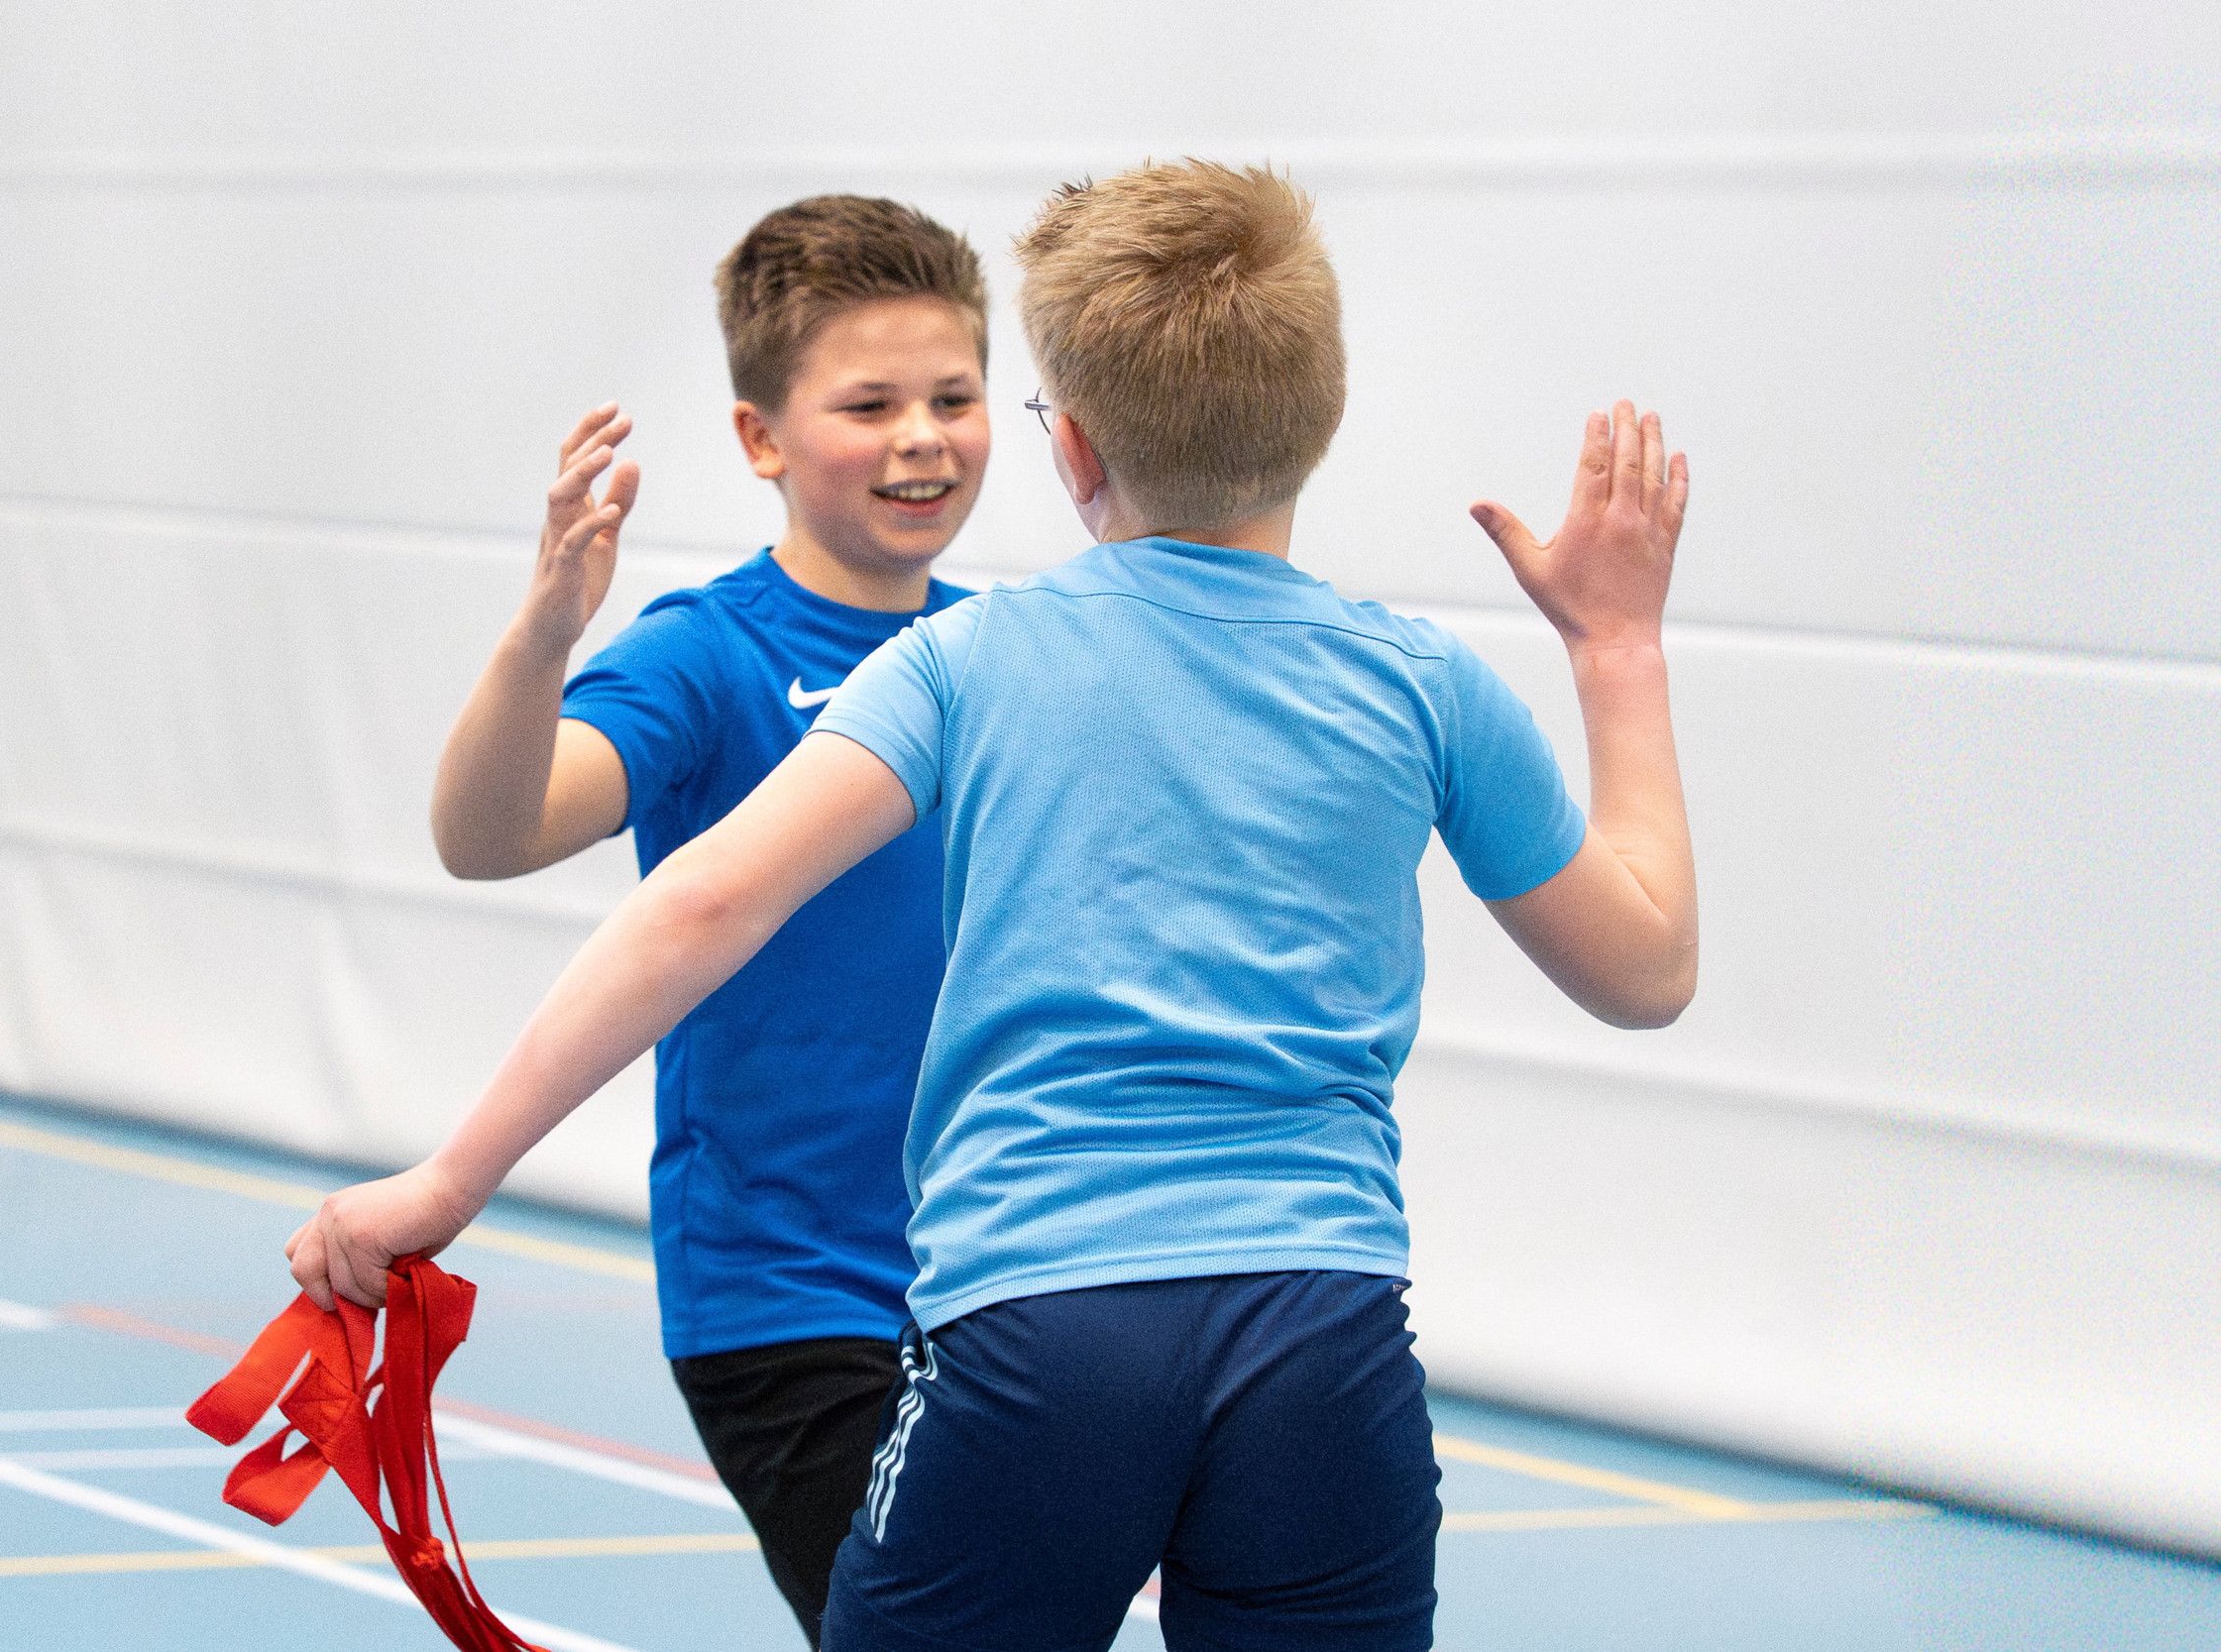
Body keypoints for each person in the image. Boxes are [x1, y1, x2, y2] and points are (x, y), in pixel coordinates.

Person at [291, 160, 1697, 1652]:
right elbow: (1646, 969)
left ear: (1068, 444)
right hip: (1327, 1335)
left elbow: (703, 905)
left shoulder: (967, 665)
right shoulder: (1428, 685)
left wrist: (445, 1183)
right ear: (1324, 420)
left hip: (1042, 1328)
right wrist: (1616, 650)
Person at [413, 193, 991, 1645]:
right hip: (791, 1297)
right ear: (761, 439)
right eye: (871, 404)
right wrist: (545, 630)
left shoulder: (1006, 651)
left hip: (1003, 1273)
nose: (922, 435)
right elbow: (490, 834)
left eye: (955, 396)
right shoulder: (709, 653)